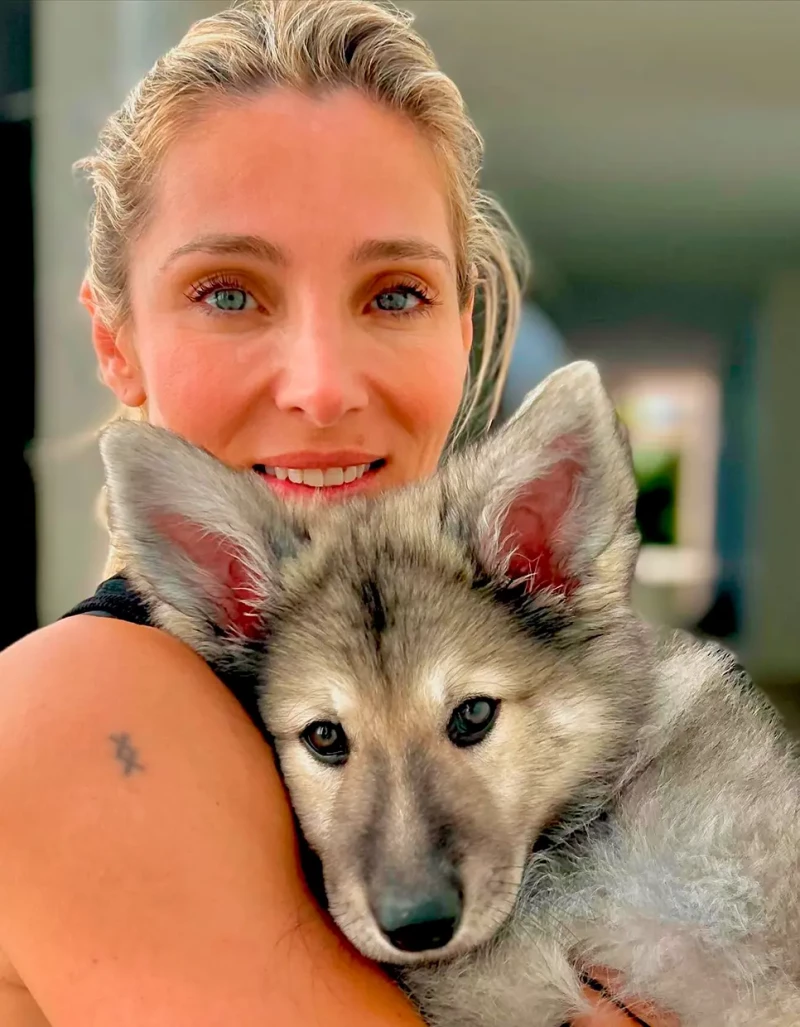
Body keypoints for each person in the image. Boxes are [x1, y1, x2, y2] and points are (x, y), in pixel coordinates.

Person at [0, 2, 675, 1024]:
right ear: (115, 339)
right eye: (228, 292)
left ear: (463, 325)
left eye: (393, 293)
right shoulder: (80, 708)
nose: (321, 385)